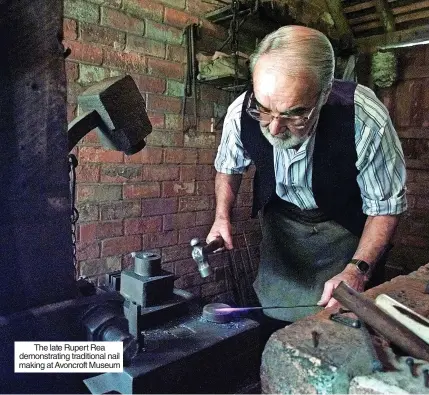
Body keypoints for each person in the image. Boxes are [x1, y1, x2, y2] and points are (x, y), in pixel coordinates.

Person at [206, 25, 407, 328]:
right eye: (265, 109)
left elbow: (385, 208)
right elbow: (228, 167)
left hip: (346, 235)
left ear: (324, 93)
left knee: (341, 327)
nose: (274, 128)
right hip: (282, 233)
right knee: (276, 323)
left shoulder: (364, 116)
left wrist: (357, 270)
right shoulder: (240, 112)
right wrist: (222, 216)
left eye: (294, 114)